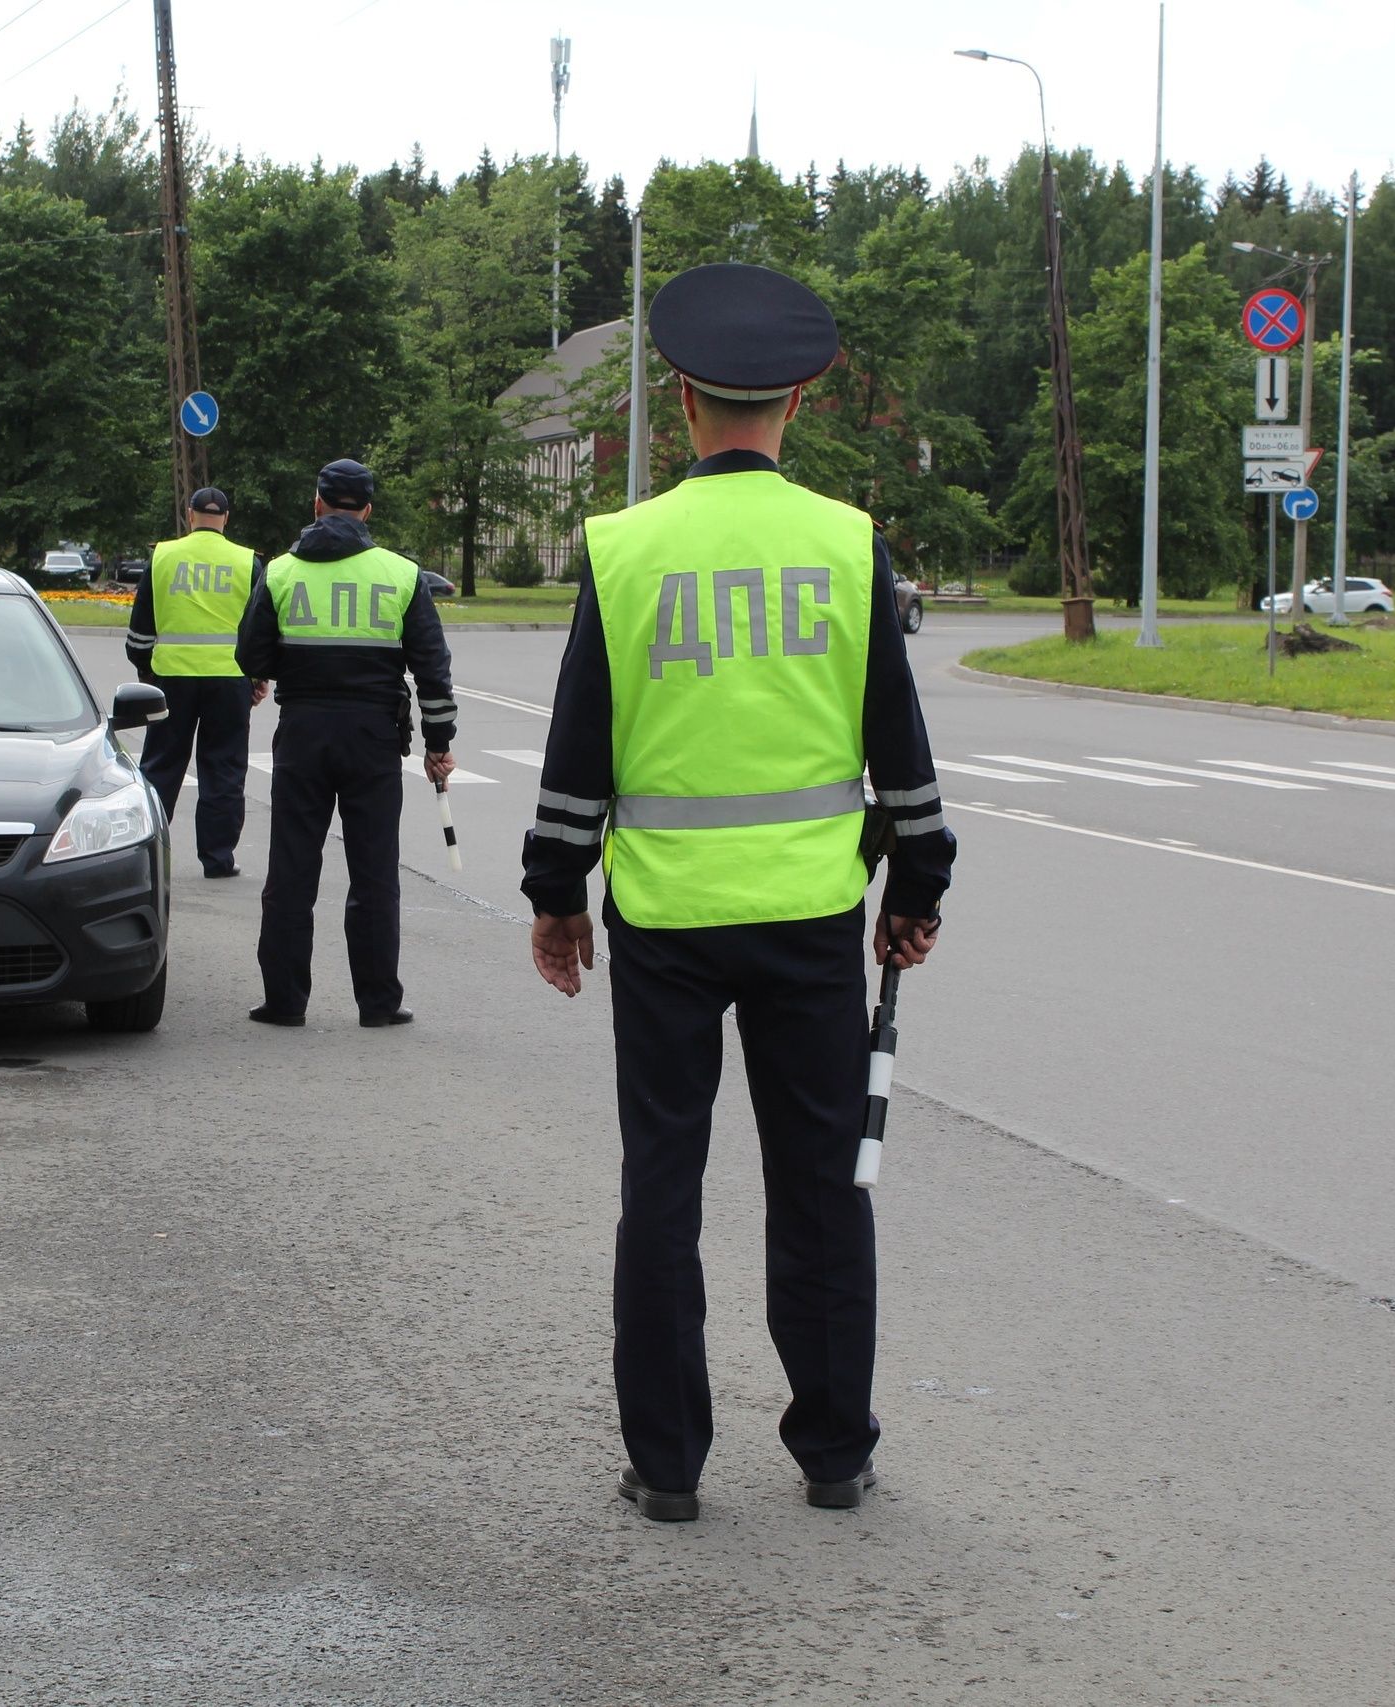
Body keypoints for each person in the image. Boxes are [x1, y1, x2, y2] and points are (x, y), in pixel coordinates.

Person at [519, 263, 954, 1522]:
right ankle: (834, 1452)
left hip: (661, 923)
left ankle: (665, 1467)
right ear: (801, 402)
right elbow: (901, 750)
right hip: (813, 918)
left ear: (680, 399)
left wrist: (556, 895)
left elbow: (575, 754)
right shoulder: (846, 543)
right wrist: (914, 889)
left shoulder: (623, 547)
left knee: (662, 1186)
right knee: (819, 1187)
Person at [235, 459, 457, 1027]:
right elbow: (432, 669)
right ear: (368, 511)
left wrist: (290, 667)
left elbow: (251, 656)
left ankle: (284, 1002)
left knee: (291, 870)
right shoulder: (401, 574)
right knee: (375, 872)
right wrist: (438, 742)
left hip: (303, 733)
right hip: (374, 738)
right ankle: (378, 1003)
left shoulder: (282, 572)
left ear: (316, 505)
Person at [128, 488, 268, 878]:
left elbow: (140, 630)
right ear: (226, 518)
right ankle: (218, 858)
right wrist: (257, 676)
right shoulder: (248, 562)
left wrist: (146, 672)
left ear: (190, 515)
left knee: (160, 767)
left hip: (171, 679)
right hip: (228, 681)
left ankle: (146, 856)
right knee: (223, 768)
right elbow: (259, 629)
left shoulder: (163, 556)